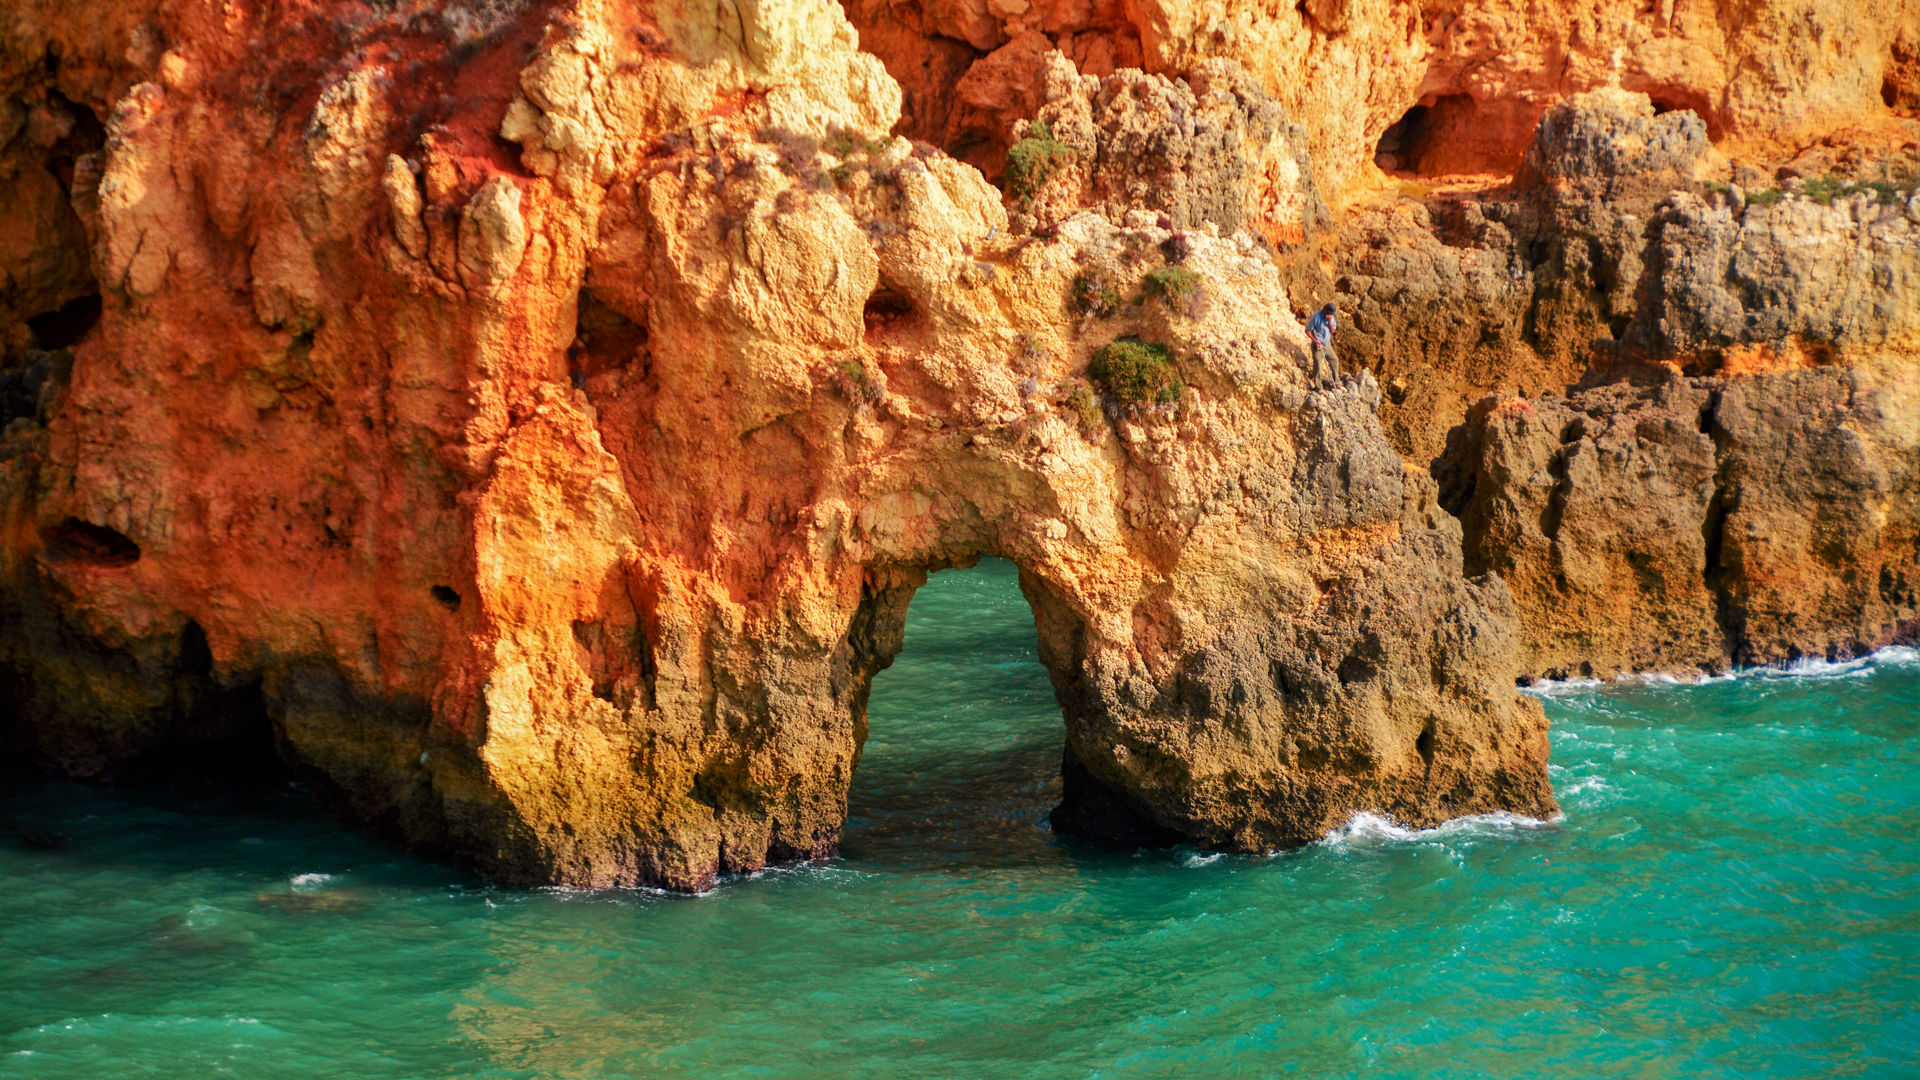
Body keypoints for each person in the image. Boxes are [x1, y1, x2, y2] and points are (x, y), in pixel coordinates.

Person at [1305, 303, 1339, 389]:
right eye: (1331, 314)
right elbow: (1308, 331)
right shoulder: (1316, 317)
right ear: (1326, 311)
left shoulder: (1331, 317)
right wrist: (1315, 340)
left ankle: (1337, 383)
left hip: (1327, 344)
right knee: (1318, 365)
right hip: (1318, 345)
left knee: (1334, 360)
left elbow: (1333, 330)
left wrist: (1330, 322)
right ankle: (1318, 387)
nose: (1332, 315)